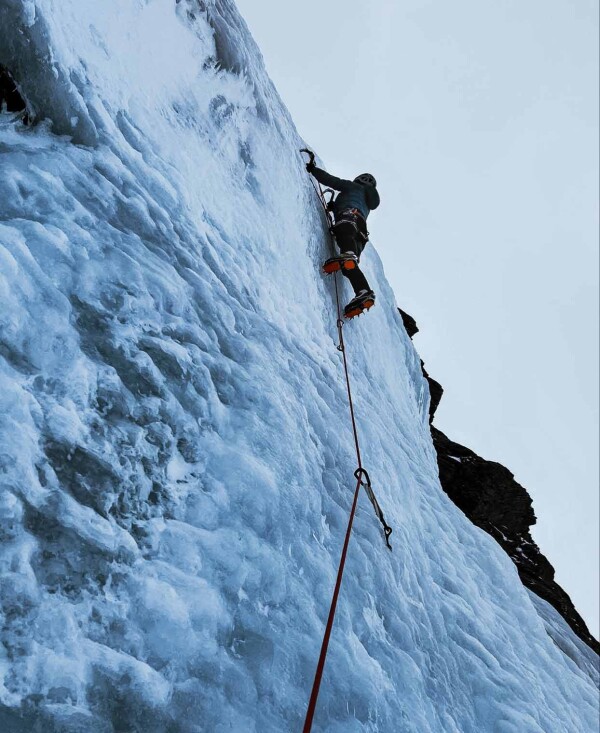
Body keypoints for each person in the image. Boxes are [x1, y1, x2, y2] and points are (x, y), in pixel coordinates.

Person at [306, 158, 380, 318]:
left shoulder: (352, 186)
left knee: (343, 233)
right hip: (361, 232)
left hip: (349, 218)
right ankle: (363, 291)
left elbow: (331, 181)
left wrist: (313, 169)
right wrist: (334, 208)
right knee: (349, 266)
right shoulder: (367, 203)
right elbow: (359, 203)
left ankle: (348, 254)